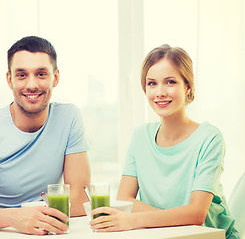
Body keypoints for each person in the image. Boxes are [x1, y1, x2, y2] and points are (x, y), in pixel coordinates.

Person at [0, 36, 91, 235]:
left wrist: (35, 218)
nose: (31, 85)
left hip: (42, 231)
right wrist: (14, 217)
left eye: (41, 74)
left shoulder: (69, 117)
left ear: (55, 78)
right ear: (9, 79)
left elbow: (81, 199)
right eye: (21, 75)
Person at [90, 45, 239, 238]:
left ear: (187, 86)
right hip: (163, 235)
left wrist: (133, 220)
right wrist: (177, 220)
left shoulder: (209, 138)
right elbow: (124, 199)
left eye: (170, 82)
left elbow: (196, 214)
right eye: (152, 83)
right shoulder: (140, 136)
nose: (159, 92)